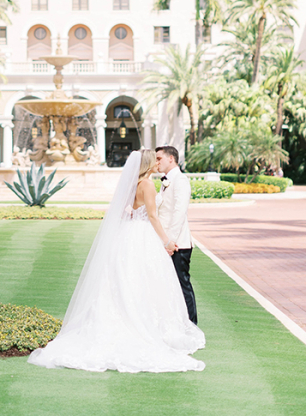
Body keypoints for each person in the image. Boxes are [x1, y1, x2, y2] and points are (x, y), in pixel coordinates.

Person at [28, 149, 205, 373]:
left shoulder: (133, 184)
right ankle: (148, 325)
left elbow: (126, 211)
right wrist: (167, 241)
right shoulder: (148, 185)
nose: (158, 163)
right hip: (144, 235)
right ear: (150, 163)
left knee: (124, 279)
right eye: (156, 160)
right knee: (147, 280)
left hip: (128, 236)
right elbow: (152, 216)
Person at [155, 145, 198, 324]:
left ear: (171, 159)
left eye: (159, 159)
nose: (157, 163)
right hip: (166, 243)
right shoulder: (166, 181)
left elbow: (179, 213)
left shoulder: (180, 180)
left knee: (182, 285)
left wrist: (170, 242)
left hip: (178, 244)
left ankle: (191, 324)